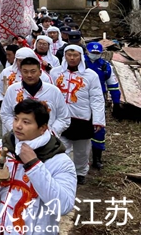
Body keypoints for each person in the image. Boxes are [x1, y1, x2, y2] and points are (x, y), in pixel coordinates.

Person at [0, 99, 77, 234]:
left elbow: (63, 206)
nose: (18, 126)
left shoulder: (60, 162)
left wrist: (34, 165)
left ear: (42, 128)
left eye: (26, 122)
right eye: (16, 119)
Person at [50, 45, 105, 184]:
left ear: (81, 56)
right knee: (61, 147)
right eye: (69, 55)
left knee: (82, 150)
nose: (72, 58)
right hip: (60, 117)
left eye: (75, 55)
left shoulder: (90, 75)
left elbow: (97, 98)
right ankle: (63, 172)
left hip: (81, 118)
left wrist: (98, 120)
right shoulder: (55, 73)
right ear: (65, 56)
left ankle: (80, 172)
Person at [0, 57, 70, 136]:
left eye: (33, 72)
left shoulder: (54, 91)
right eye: (25, 72)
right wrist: (17, 130)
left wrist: (50, 133)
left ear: (40, 72)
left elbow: (64, 118)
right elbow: (5, 114)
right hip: (19, 138)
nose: (29, 75)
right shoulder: (12, 90)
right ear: (21, 72)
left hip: (47, 140)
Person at [85, 42, 122, 169]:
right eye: (92, 52)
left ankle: (97, 157)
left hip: (98, 100)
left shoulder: (105, 66)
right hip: (81, 100)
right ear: (87, 51)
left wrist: (116, 103)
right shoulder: (80, 63)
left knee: (99, 129)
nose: (94, 55)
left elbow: (113, 84)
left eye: (97, 53)